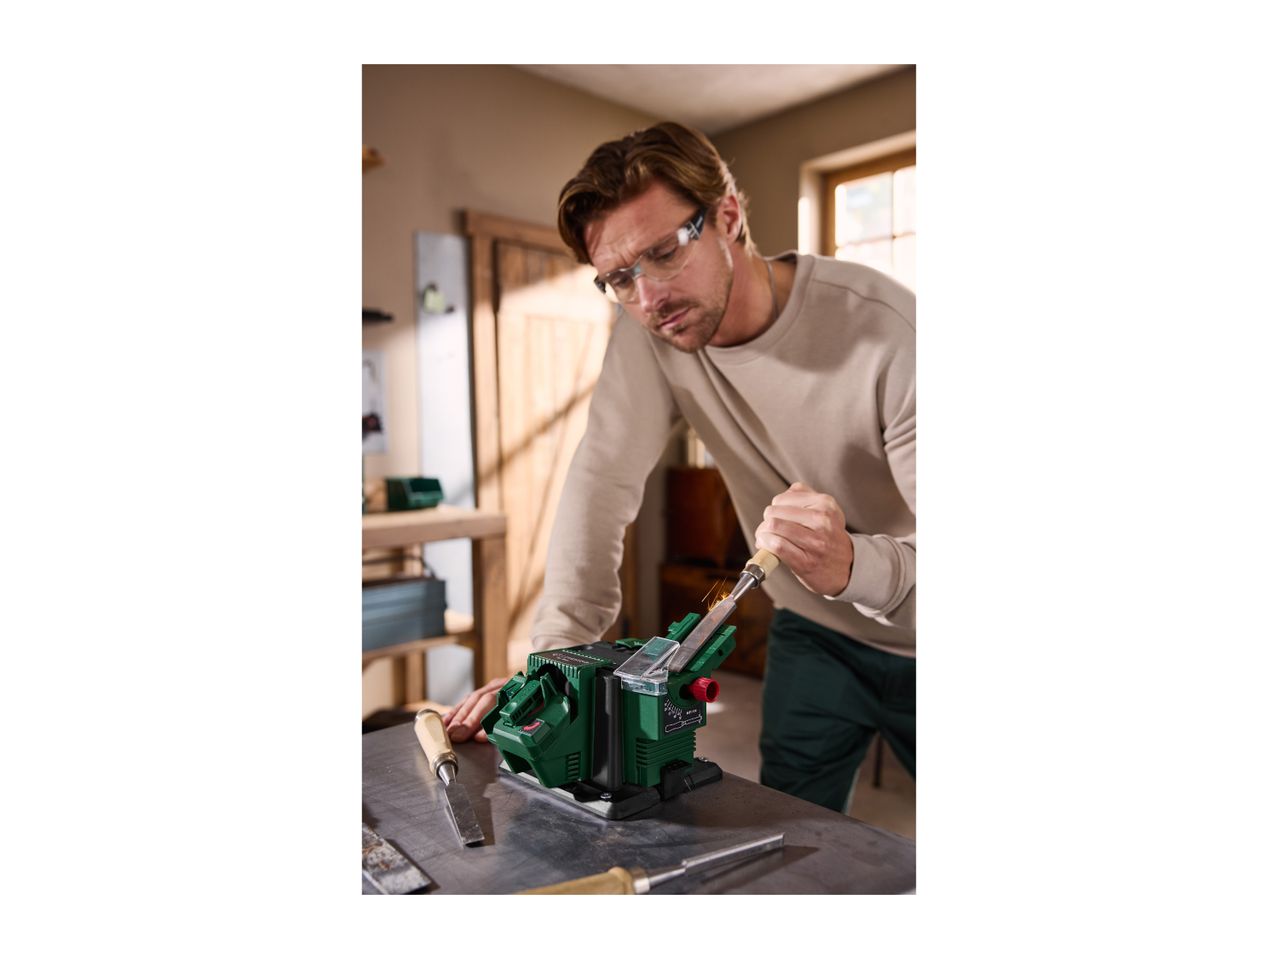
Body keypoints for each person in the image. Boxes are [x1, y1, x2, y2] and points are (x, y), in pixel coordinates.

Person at [443, 122, 915, 814]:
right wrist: (556, 674)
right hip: (815, 633)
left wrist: (852, 566)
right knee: (791, 842)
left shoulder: (892, 334)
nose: (648, 297)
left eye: (663, 253)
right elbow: (599, 485)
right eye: (619, 278)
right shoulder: (653, 335)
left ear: (728, 215)